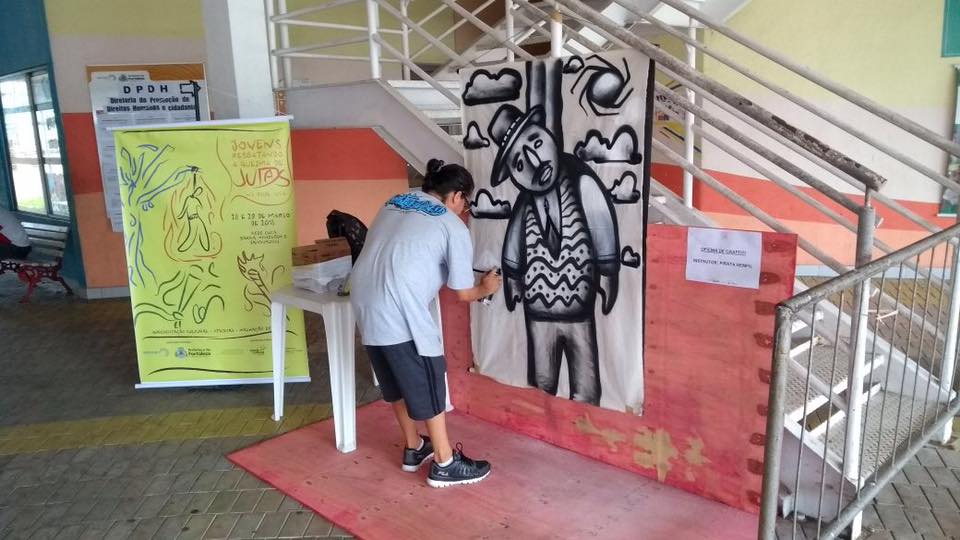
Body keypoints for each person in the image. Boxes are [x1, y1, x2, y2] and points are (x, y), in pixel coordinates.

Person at [350, 158, 502, 488]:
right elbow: (463, 293)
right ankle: (445, 463)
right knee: (428, 378)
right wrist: (486, 288)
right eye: (466, 203)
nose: (464, 210)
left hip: (363, 298)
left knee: (394, 381)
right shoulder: (451, 224)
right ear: (457, 196)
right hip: (398, 305)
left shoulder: (395, 201)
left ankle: (414, 447)